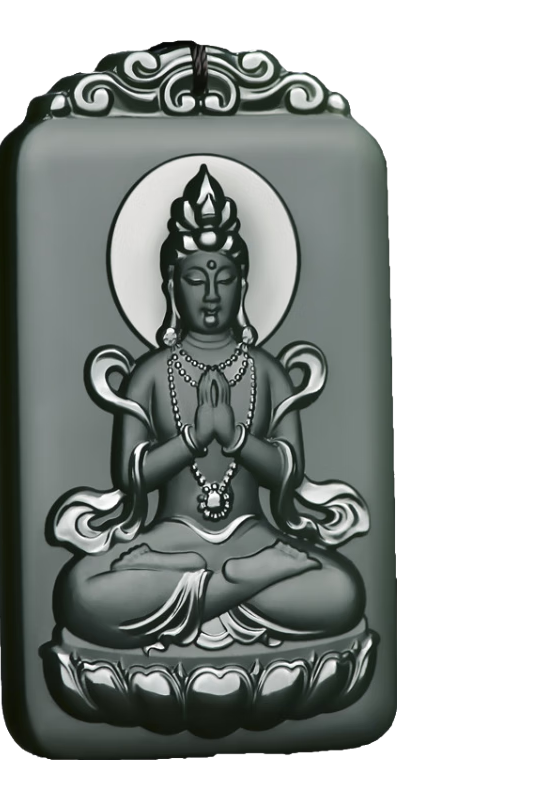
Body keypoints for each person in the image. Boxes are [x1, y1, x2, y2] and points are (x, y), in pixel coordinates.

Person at [49, 165, 369, 654]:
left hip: (253, 536)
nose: (212, 295)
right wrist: (194, 439)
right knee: (80, 593)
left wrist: (236, 437)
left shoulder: (266, 371)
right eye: (196, 279)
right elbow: (133, 476)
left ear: (244, 285)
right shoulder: (151, 373)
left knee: (343, 589)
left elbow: (288, 470)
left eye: (225, 279)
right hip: (171, 539)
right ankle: (241, 581)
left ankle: (214, 583)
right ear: (171, 287)